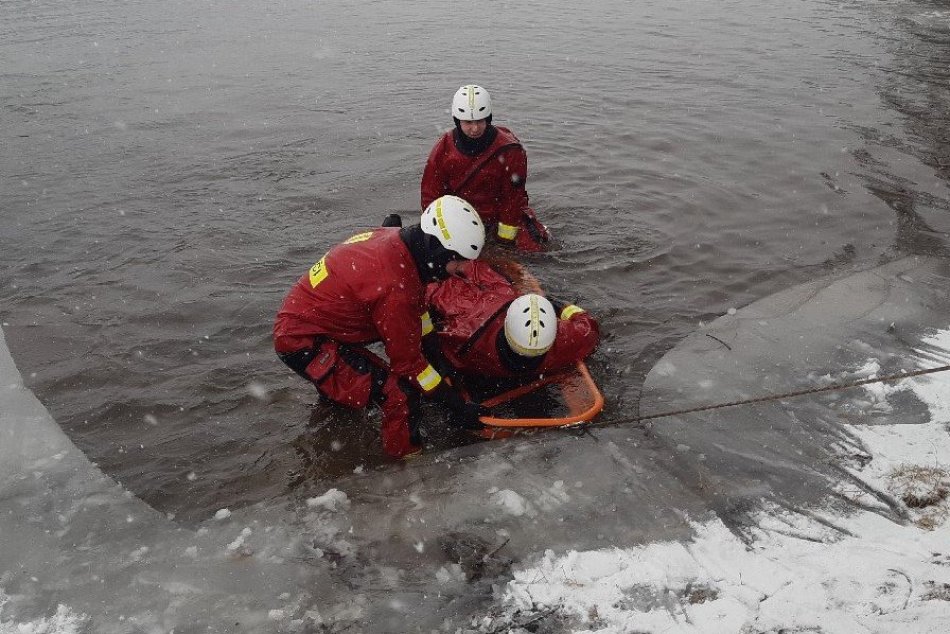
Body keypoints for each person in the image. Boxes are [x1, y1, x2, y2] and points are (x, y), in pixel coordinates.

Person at [273, 195, 487, 459]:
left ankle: (335, 441)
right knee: (400, 396)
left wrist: (438, 358)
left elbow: (419, 311)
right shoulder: (395, 289)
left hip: (318, 325)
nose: (463, 269)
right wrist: (454, 405)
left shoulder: (401, 244)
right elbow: (408, 366)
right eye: (459, 260)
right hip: (303, 341)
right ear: (437, 250)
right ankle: (406, 465)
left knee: (351, 395)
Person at [421, 84, 550, 252]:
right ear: (457, 121)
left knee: (536, 251)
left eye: (480, 121)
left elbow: (512, 199)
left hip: (500, 217)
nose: (474, 128)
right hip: (461, 217)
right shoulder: (443, 149)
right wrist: (440, 230)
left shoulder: (510, 150)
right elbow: (431, 197)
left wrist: (504, 241)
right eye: (468, 122)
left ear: (488, 119)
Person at [423, 260, 599, 381]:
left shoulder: (468, 341)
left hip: (485, 306)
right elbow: (588, 325)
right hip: (496, 297)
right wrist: (558, 306)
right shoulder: (565, 341)